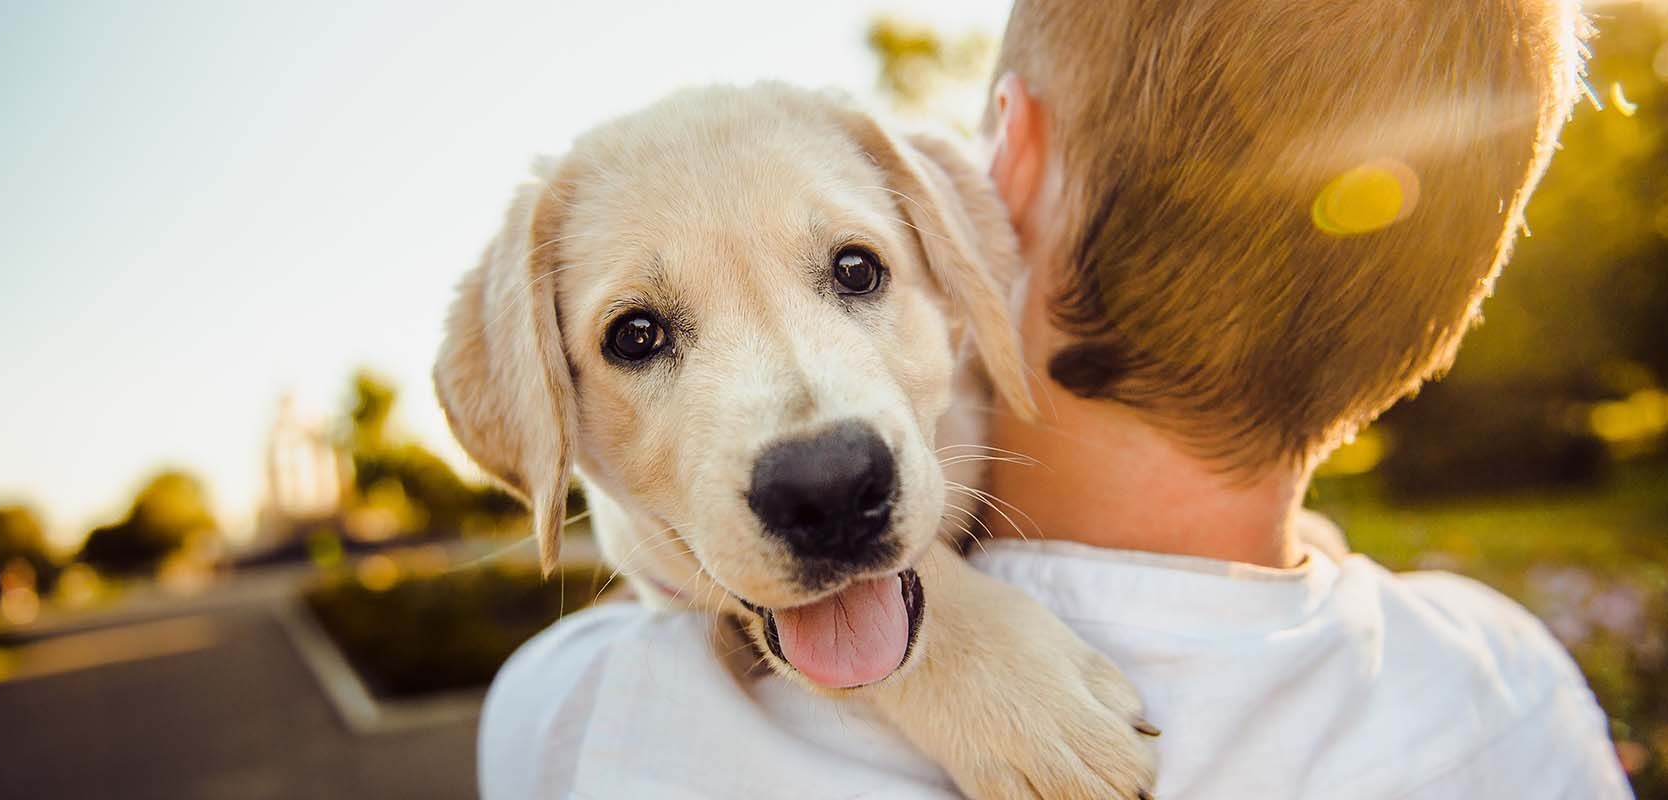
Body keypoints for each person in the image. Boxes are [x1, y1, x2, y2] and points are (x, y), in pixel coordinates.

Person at [477, 0, 1633, 797]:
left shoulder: (579, 719)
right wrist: (942, 640)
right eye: (640, 335)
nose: (814, 445)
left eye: (853, 271)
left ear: (999, 174)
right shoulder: (1515, 685)